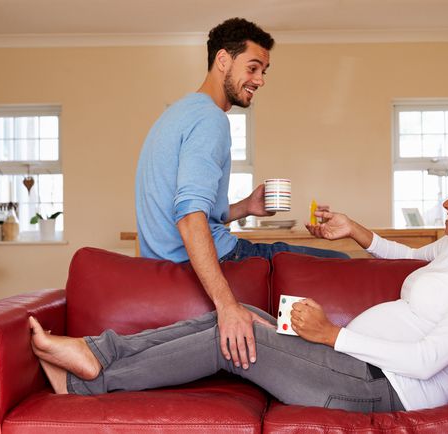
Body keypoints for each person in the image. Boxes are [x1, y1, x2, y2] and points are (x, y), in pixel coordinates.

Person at [30, 159, 448, 412]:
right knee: (238, 313)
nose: (446, 203)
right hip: (356, 364)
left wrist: (331, 335)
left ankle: (86, 383)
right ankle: (96, 352)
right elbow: (405, 257)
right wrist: (353, 230)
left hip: (385, 390)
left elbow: (428, 359)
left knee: (241, 336)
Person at [135, 17, 348, 371]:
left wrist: (245, 207)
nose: (260, 80)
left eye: (264, 70)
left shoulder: (178, 114)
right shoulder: (210, 120)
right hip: (218, 257)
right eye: (252, 67)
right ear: (222, 60)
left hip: (164, 259)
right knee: (341, 266)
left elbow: (188, 208)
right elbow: (189, 217)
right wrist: (227, 306)